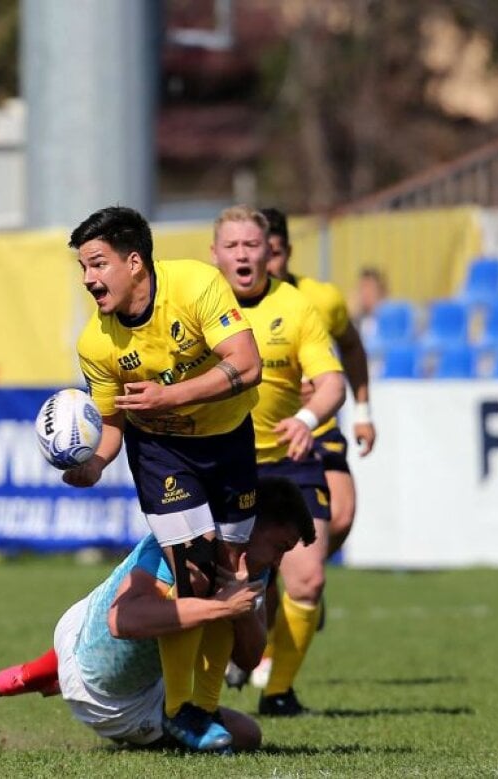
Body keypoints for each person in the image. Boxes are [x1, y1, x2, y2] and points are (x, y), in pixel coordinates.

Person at [65, 205, 263, 748]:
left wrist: (168, 395)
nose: (89, 279)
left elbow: (246, 365)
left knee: (231, 572)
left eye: (98, 264)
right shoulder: (96, 342)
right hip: (160, 452)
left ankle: (201, 707)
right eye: (84, 267)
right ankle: (181, 710)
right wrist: (95, 464)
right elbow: (111, 422)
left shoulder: (197, 285)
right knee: (193, 572)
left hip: (228, 442)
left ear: (135, 262)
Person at [0, 477, 316, 752]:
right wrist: (223, 607)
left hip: (79, 624)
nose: (278, 562)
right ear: (251, 526)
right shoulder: (184, 547)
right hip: (108, 701)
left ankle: (43, 669)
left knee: (249, 731)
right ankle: (61, 672)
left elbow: (249, 659)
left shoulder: (249, 569)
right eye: (280, 547)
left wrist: (241, 611)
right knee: (241, 736)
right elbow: (123, 621)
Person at [210, 205, 347, 716]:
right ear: (215, 253)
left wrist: (307, 420)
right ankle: (199, 687)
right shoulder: (198, 304)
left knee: (308, 577)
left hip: (289, 465)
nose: (244, 255)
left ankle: (279, 693)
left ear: (270, 252)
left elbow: (333, 381)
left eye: (254, 245)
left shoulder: (296, 307)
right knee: (220, 582)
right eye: (234, 246)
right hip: (222, 464)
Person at [260, 208, 376, 557]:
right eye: (259, 254)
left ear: (289, 252)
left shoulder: (322, 299)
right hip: (261, 430)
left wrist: (363, 411)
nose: (267, 264)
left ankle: (299, 580)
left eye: (275, 254)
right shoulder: (228, 304)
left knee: (340, 517)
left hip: (316, 425)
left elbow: (352, 347)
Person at [353, 266, 388, 346]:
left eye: (369, 288)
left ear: (380, 291)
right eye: (362, 288)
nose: (365, 293)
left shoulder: (389, 319)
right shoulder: (356, 320)